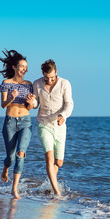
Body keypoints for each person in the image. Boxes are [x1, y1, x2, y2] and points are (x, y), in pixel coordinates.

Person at [30, 59, 73, 196]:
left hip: (60, 126)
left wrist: (63, 115)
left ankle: (48, 185)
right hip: (44, 124)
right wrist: (32, 102)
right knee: (49, 158)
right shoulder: (37, 84)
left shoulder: (65, 84)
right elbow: (36, 104)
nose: (49, 80)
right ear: (42, 73)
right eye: (46, 77)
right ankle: (56, 192)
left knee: (58, 163)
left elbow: (69, 104)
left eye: (52, 77)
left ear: (56, 72)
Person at [0, 49, 35, 199]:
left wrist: (31, 103)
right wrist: (11, 98)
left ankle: (14, 188)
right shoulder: (6, 83)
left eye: (26, 67)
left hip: (26, 121)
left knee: (21, 153)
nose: (24, 69)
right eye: (21, 66)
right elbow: (3, 105)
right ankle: (5, 168)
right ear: (14, 67)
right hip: (10, 122)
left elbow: (29, 107)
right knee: (11, 158)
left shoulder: (29, 84)